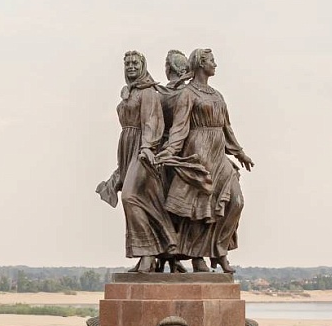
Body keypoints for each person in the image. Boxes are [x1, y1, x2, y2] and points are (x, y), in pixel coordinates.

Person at [158, 47, 253, 273]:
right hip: (198, 152)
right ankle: (198, 257)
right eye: (212, 60)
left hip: (218, 154)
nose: (215, 64)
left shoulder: (217, 95)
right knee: (200, 211)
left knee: (236, 202)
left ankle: (219, 249)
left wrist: (239, 152)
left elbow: (226, 127)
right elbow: (179, 127)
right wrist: (170, 151)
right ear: (201, 63)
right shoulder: (188, 94)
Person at [97, 51, 179, 272]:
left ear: (143, 66)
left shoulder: (148, 92)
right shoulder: (129, 92)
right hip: (127, 147)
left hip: (143, 149)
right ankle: (148, 254)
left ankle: (150, 251)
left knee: (130, 196)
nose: (131, 66)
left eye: (135, 63)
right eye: (127, 63)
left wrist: (147, 147)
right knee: (143, 200)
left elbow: (152, 121)